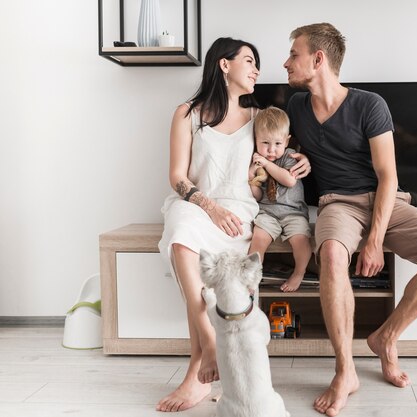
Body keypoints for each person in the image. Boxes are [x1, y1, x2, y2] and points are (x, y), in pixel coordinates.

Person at [283, 23, 417, 416]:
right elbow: (283, 143)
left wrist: (374, 240)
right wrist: (297, 155)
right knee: (331, 255)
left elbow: (389, 176)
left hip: (386, 199)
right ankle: (345, 370)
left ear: (318, 59)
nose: (286, 63)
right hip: (337, 204)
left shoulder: (369, 104)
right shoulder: (295, 107)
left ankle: (386, 337)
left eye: (293, 54)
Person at [157, 37, 310, 412]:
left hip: (240, 213)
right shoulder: (187, 113)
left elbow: (281, 149)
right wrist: (210, 208)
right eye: (249, 61)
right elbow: (177, 176)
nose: (257, 69)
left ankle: (198, 371)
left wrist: (300, 161)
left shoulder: (261, 117)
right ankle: (208, 346)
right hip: (196, 204)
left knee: (214, 272)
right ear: (224, 65)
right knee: (180, 235)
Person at [247, 106, 312, 292]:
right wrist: (252, 181)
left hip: (293, 212)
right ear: (256, 141)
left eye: (277, 143)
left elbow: (289, 180)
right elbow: (259, 196)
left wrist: (267, 164)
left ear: (286, 141)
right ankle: (253, 276)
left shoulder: (289, 156)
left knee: (301, 240)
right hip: (268, 212)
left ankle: (299, 273)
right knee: (258, 239)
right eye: (265, 143)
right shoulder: (256, 163)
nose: (271, 150)